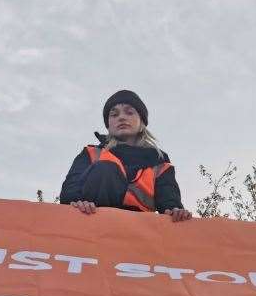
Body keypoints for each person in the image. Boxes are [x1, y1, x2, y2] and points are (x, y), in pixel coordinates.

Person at [59, 90, 192, 221]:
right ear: (108, 125)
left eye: (129, 112)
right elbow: (69, 192)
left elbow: (169, 201)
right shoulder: (91, 153)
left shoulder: (160, 163)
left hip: (138, 230)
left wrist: (175, 210)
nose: (121, 117)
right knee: (105, 168)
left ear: (142, 122)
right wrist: (78, 203)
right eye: (114, 115)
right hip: (90, 220)